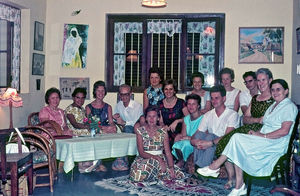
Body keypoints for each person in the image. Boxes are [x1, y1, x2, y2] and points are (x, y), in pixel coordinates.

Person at [197, 79, 298, 196]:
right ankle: (238, 185)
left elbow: (284, 131)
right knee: (238, 141)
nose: (275, 92)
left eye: (278, 89)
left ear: (286, 91)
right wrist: (256, 133)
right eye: (273, 90)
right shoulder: (273, 106)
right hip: (265, 139)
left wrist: (262, 135)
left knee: (237, 139)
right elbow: (265, 126)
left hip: (276, 143)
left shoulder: (289, 106)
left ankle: (215, 167)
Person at [215, 68, 274, 189]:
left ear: (270, 80)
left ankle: (219, 169)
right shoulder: (255, 98)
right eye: (259, 80)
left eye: (263, 80)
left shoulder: (275, 99)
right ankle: (232, 178)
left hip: (262, 133)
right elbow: (245, 119)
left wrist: (257, 123)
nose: (260, 83)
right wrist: (257, 120)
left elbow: (272, 122)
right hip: (250, 127)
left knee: (236, 143)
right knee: (225, 141)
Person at [190, 85, 240, 175]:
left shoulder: (232, 114)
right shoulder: (208, 114)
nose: (213, 101)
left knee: (209, 136)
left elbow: (227, 137)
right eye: (212, 98)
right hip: (210, 142)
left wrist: (209, 143)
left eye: (217, 98)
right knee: (199, 136)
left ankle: (200, 171)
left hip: (224, 144)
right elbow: (198, 133)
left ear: (224, 98)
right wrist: (193, 141)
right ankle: (199, 168)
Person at [129, 106, 184, 182]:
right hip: (145, 158)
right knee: (136, 176)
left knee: (177, 175)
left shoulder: (163, 132)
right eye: (149, 116)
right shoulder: (140, 131)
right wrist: (158, 159)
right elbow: (141, 152)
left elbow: (167, 152)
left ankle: (159, 174)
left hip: (160, 158)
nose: (151, 119)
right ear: (146, 118)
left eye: (154, 116)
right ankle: (158, 175)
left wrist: (171, 167)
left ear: (158, 118)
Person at [85, 80, 117, 172]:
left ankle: (116, 161)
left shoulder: (108, 107)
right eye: (98, 90)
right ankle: (97, 163)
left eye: (102, 91)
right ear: (95, 92)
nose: (100, 93)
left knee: (113, 131)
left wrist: (113, 126)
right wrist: (105, 128)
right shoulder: (88, 107)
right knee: (97, 132)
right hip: (94, 130)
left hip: (105, 130)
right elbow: (91, 124)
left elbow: (111, 122)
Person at [111, 84, 143, 171]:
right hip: (124, 131)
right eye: (122, 94)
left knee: (128, 128)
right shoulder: (118, 105)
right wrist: (115, 118)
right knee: (113, 131)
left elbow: (138, 124)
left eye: (126, 94)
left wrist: (124, 123)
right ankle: (121, 158)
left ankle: (121, 159)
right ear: (119, 95)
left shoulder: (138, 106)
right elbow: (116, 119)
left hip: (136, 132)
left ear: (130, 94)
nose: (124, 97)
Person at [172, 94, 204, 174]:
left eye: (193, 104)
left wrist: (189, 138)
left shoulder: (204, 118)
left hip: (198, 143)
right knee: (178, 143)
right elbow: (183, 135)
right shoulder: (186, 119)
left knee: (185, 144)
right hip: (187, 142)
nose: (191, 106)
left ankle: (183, 163)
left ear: (198, 106)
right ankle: (182, 161)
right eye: (189, 104)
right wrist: (179, 137)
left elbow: (203, 136)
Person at [157, 79, 189, 149]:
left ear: (174, 91)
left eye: (171, 89)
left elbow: (188, 118)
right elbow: (161, 121)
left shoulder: (181, 102)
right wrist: (163, 126)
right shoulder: (160, 103)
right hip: (165, 130)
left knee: (176, 140)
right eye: (166, 89)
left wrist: (177, 121)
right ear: (163, 91)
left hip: (179, 130)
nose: (168, 91)